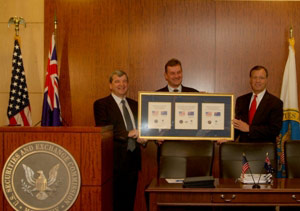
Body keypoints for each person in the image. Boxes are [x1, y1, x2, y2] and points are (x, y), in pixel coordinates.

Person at [93, 70, 147, 211]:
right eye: (117, 81)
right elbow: (104, 129)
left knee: (129, 203)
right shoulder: (101, 104)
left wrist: (144, 138)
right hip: (113, 163)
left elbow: (141, 128)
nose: (121, 84)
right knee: (114, 204)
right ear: (110, 85)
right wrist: (129, 133)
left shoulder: (135, 104)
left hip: (133, 160)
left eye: (124, 81)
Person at [232, 65, 283, 143]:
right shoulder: (241, 100)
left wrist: (250, 129)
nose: (258, 81)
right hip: (243, 149)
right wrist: (228, 137)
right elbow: (238, 126)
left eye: (261, 78)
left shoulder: (276, 103)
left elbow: (274, 130)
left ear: (266, 80)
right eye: (254, 77)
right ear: (250, 80)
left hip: (264, 150)